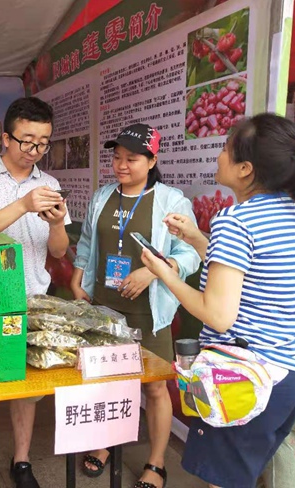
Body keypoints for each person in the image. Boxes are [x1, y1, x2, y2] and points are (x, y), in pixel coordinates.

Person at [139, 113, 295, 488]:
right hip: (285, 378)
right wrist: (195, 238)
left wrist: (166, 275)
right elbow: (248, 275)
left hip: (240, 378)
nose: (219, 156)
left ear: (245, 169)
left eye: (225, 150)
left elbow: (217, 314)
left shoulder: (236, 220)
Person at [71, 123, 200, 488]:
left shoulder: (171, 201)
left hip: (149, 310)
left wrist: (153, 272)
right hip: (104, 305)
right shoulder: (102, 196)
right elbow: (86, 241)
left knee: (155, 387)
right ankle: (105, 446)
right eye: (116, 157)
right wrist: (78, 274)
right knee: (107, 381)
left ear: (152, 160)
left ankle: (156, 463)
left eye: (131, 158)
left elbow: (189, 253)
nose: (121, 165)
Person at [0, 97, 71, 488]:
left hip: (31, 296)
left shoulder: (50, 184)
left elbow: (57, 251)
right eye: (27, 141)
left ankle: (22, 460)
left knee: (24, 381)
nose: (35, 150)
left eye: (43, 142)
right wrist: (22, 204)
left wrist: (56, 224)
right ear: (5, 138)